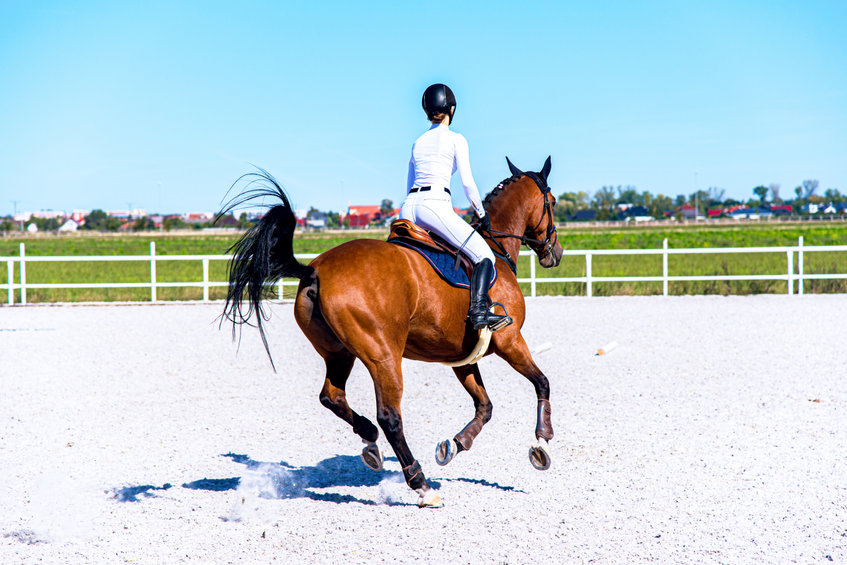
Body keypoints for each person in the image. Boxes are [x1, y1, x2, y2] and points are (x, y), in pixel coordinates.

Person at [400, 83, 509, 331]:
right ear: (452, 109)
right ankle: (479, 313)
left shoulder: (417, 142)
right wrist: (481, 213)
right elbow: (468, 184)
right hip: (434, 205)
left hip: (408, 208)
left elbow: (408, 184)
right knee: (484, 256)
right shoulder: (456, 139)